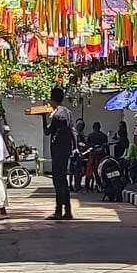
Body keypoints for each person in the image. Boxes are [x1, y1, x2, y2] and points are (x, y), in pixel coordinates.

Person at [45, 87, 76, 220]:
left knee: (58, 181)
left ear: (52, 99)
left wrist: (42, 118)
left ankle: (59, 210)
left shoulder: (57, 115)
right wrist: (75, 148)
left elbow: (47, 132)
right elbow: (72, 131)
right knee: (63, 180)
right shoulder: (67, 112)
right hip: (66, 150)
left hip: (58, 151)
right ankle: (67, 210)